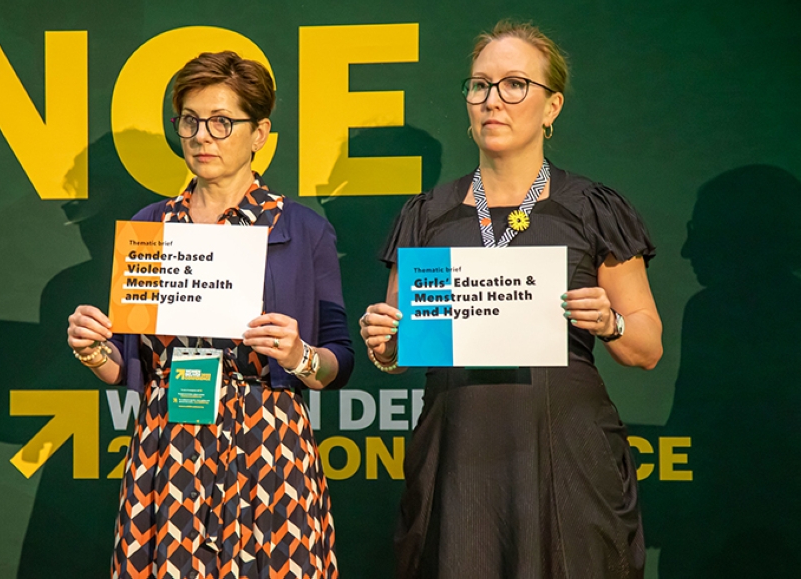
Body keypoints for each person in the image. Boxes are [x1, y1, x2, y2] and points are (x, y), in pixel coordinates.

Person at [360, 20, 663, 579]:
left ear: (552, 107)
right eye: (480, 85)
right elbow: (399, 350)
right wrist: (384, 342)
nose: (493, 101)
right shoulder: (427, 214)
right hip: (457, 456)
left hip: (565, 455)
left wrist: (612, 321)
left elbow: (646, 347)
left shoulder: (591, 207)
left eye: (515, 85)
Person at [66, 51, 353, 579]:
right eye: (190, 121)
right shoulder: (150, 226)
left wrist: (300, 355)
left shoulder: (302, 228)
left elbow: (339, 359)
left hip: (271, 448)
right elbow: (130, 369)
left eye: (222, 122)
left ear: (259, 132)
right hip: (168, 445)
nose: (203, 136)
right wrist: (94, 350)